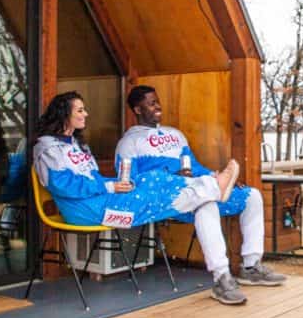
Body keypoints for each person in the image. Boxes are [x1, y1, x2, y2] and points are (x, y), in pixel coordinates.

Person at [116, 85, 286, 305]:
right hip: (169, 199)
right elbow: (130, 180)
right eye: (151, 103)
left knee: (252, 195)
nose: (158, 106)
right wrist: (170, 176)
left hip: (197, 186)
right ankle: (222, 278)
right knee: (207, 204)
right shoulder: (129, 142)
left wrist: (212, 176)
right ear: (138, 110)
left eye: (157, 101)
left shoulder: (176, 135)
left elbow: (194, 167)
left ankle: (251, 266)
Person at [33, 91, 239, 235]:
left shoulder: (78, 145)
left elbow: (93, 180)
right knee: (149, 201)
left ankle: (213, 185)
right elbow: (63, 186)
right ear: (64, 114)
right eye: (79, 110)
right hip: (86, 212)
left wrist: (116, 185)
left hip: (99, 201)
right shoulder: (47, 149)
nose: (86, 114)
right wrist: (109, 186)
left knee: (152, 178)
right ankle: (213, 187)